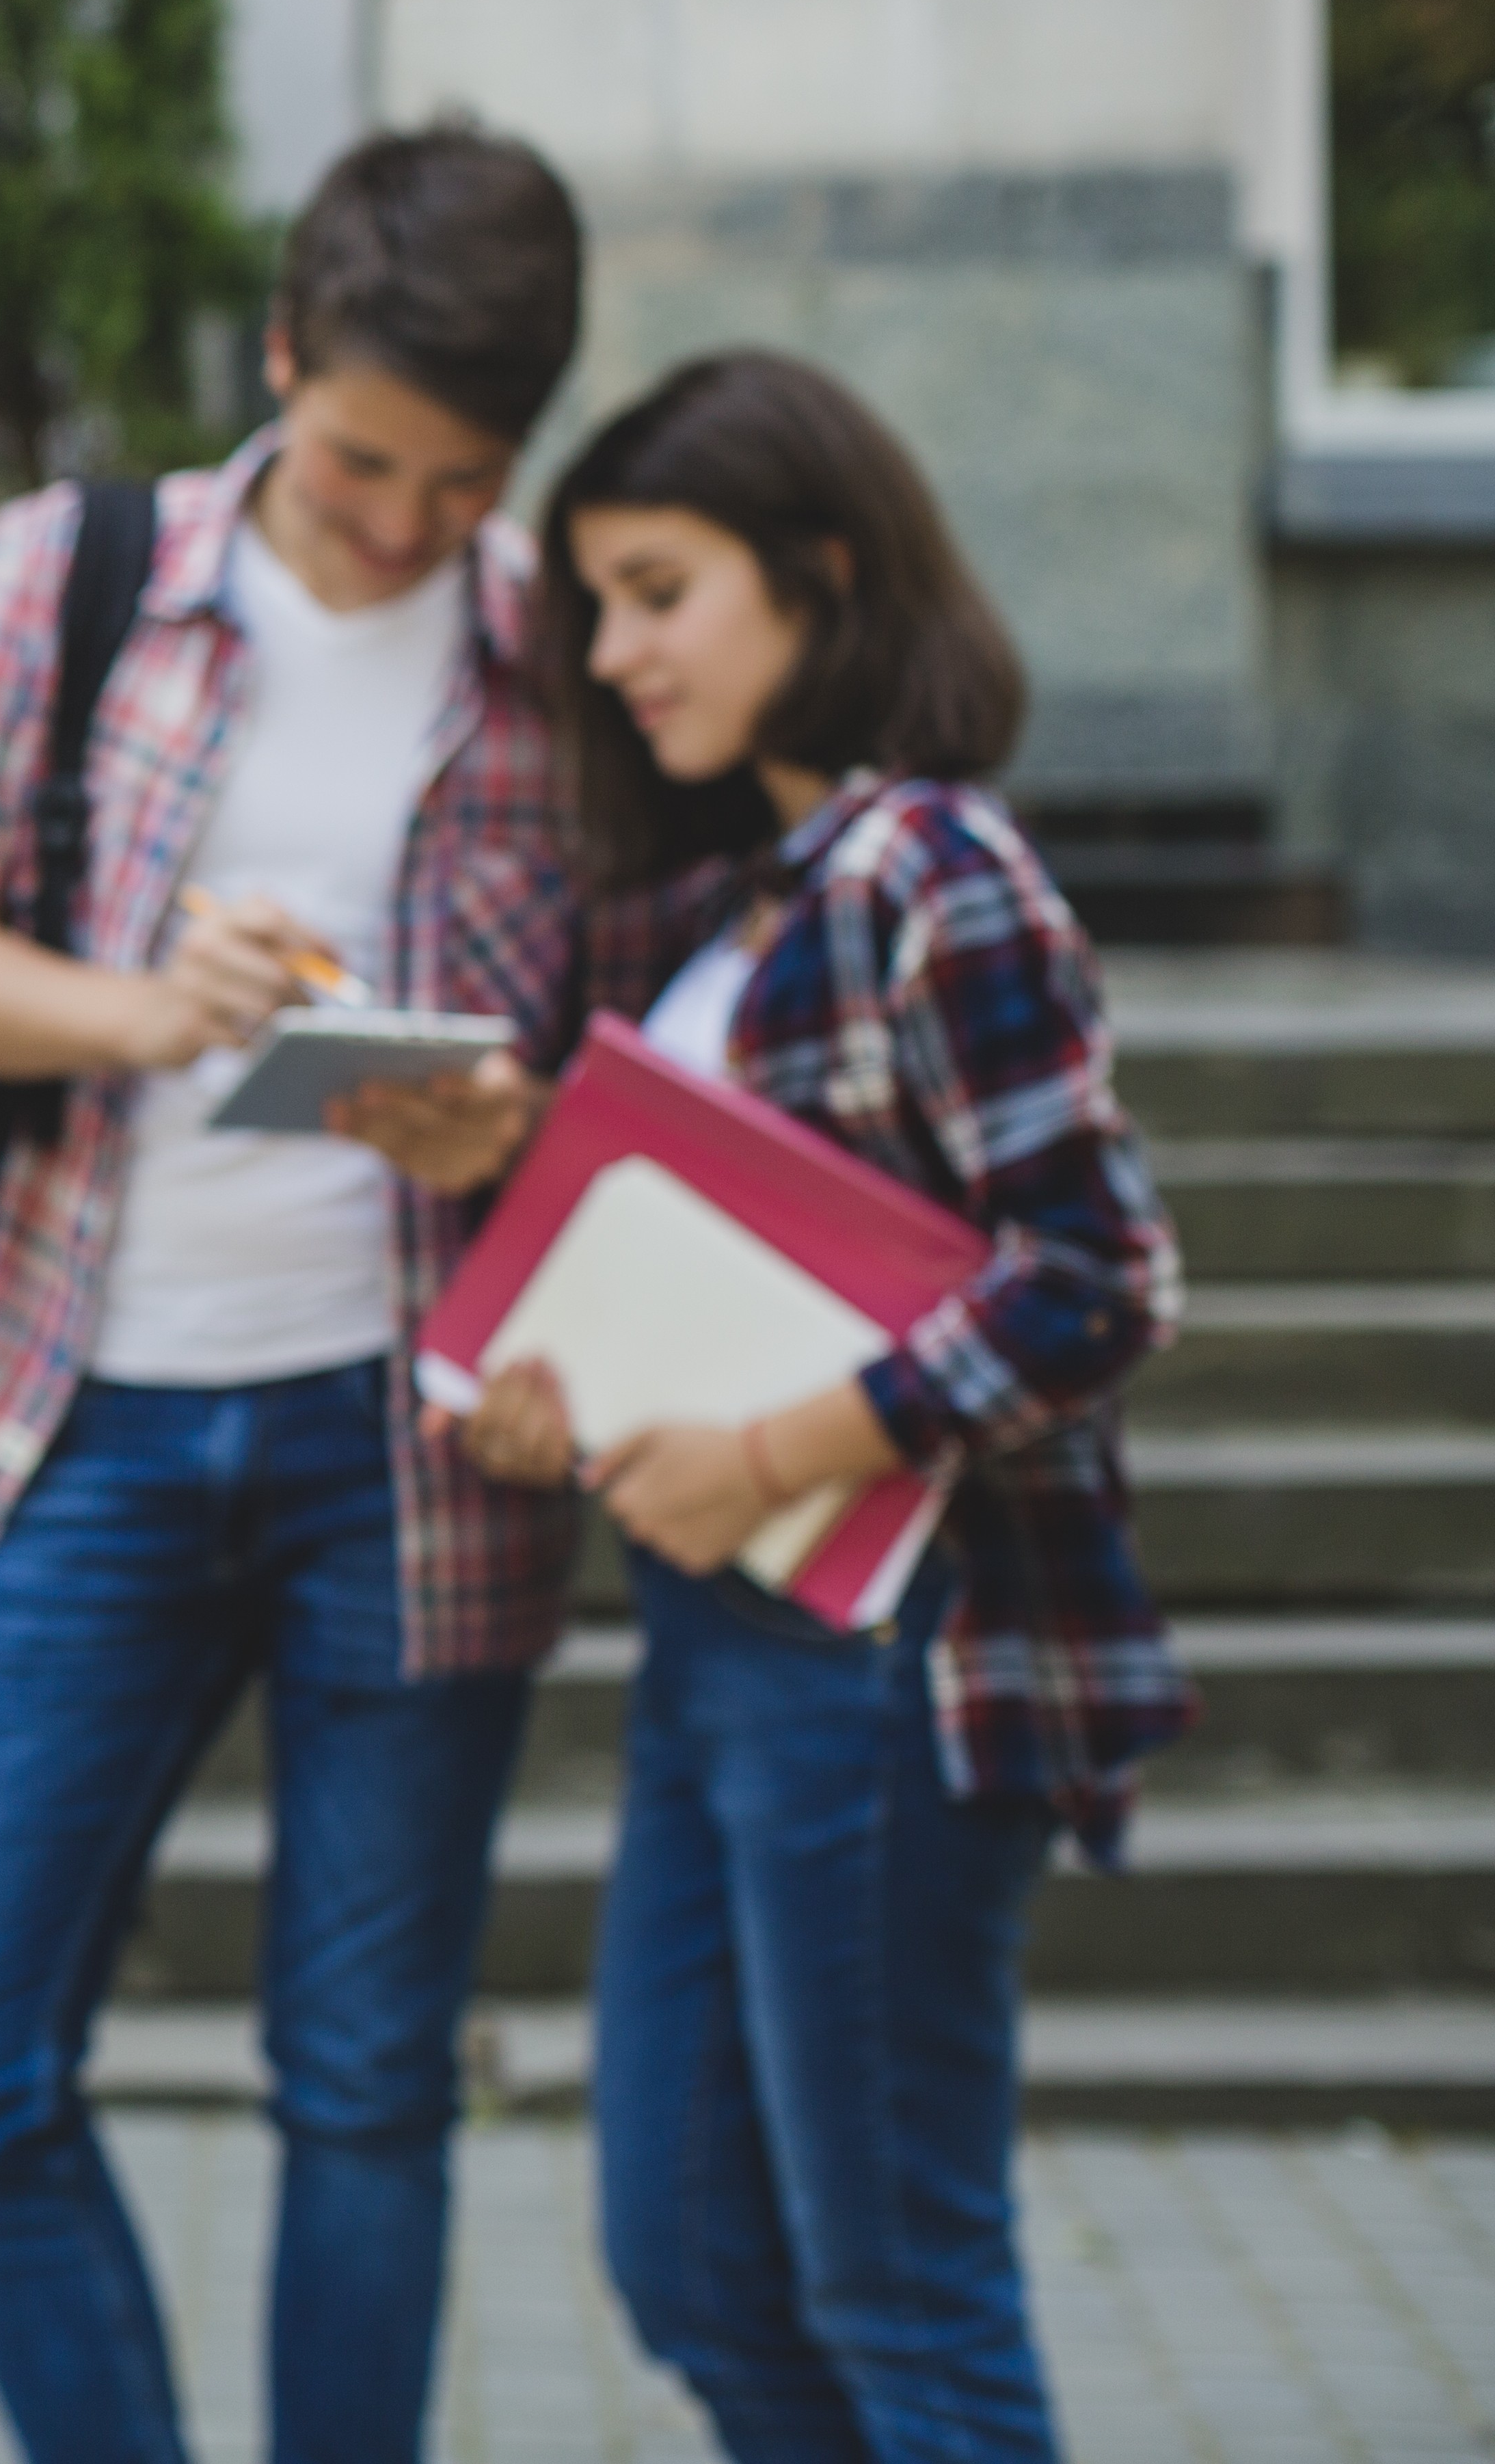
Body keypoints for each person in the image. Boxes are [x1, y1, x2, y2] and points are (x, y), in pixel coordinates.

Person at [0, 125, 684, 2464]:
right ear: (285, 358)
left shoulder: (563, 658)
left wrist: (509, 1133)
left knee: (367, 2085)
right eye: (362, 459)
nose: (406, 522)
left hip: (411, 1452)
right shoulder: (76, 572)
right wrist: (142, 1005)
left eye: (461, 481)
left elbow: (647, 1085)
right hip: (90, 1415)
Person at [448, 348, 1192, 2462]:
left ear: (824, 576)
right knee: (693, 2260)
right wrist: (553, 1394)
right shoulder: (749, 894)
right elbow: (755, 1276)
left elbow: (1100, 1275)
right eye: (597, 602)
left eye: (662, 592)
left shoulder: (930, 872)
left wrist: (773, 1453)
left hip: (895, 1667)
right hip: (729, 1646)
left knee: (897, 2287)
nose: (617, 653)